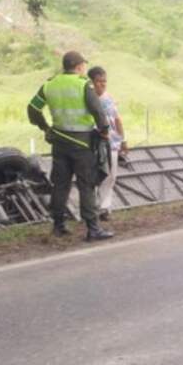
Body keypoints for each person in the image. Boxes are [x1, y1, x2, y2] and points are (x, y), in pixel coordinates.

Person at [27, 51, 114, 241]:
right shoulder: (83, 84)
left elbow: (32, 108)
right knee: (86, 185)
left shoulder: (49, 84)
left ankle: (58, 225)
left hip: (59, 142)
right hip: (82, 143)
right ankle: (92, 229)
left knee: (60, 185)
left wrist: (45, 128)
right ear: (78, 66)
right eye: (83, 65)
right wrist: (104, 131)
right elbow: (98, 111)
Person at [87, 66, 128, 221]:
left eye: (104, 81)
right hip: (93, 143)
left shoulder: (109, 98)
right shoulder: (87, 100)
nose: (102, 85)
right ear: (91, 82)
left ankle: (104, 208)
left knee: (111, 176)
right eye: (99, 81)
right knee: (95, 176)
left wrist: (123, 139)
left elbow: (117, 119)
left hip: (111, 143)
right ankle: (93, 207)